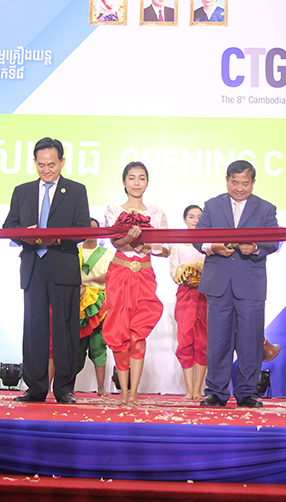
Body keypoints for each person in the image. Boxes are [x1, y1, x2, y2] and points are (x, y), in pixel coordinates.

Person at [4, 137, 90, 404]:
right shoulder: (22, 191)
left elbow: (83, 229)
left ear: (62, 162)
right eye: (41, 165)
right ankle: (36, 387)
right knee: (34, 328)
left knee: (65, 330)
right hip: (33, 265)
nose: (46, 170)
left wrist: (58, 238)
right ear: (34, 162)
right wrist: (25, 234)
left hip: (62, 264)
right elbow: (9, 227)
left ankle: (64, 388)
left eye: (51, 164)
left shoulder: (76, 190)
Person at [196, 160, 279, 408]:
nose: (240, 188)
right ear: (227, 180)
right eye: (235, 182)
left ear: (253, 183)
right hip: (218, 283)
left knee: (251, 341)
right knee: (217, 341)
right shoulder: (212, 205)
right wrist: (213, 247)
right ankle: (215, 392)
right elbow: (197, 238)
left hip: (251, 284)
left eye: (245, 183)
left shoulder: (266, 208)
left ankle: (247, 392)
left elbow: (274, 241)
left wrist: (255, 247)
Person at [103, 161, 169, 407]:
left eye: (141, 178)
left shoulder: (157, 213)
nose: (137, 183)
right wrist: (129, 240)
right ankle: (122, 394)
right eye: (131, 178)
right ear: (124, 182)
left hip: (144, 275)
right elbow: (115, 242)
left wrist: (147, 247)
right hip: (119, 275)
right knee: (119, 333)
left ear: (147, 182)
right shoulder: (113, 210)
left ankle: (134, 393)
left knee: (138, 334)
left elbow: (166, 249)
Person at [169, 205, 208, 400]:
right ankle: (189, 389)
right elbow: (173, 271)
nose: (195, 220)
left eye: (199, 217)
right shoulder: (177, 243)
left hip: (205, 295)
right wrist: (186, 277)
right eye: (191, 217)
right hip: (184, 294)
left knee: (203, 341)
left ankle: (198, 389)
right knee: (185, 339)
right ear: (184, 220)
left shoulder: (208, 243)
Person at [77, 218, 113, 397]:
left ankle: (101, 387)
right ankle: (67, 386)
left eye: (94, 228)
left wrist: (87, 280)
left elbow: (110, 276)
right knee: (74, 345)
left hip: (98, 304)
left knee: (98, 344)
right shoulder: (74, 252)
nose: (90, 231)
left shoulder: (107, 254)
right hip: (76, 302)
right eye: (87, 227)